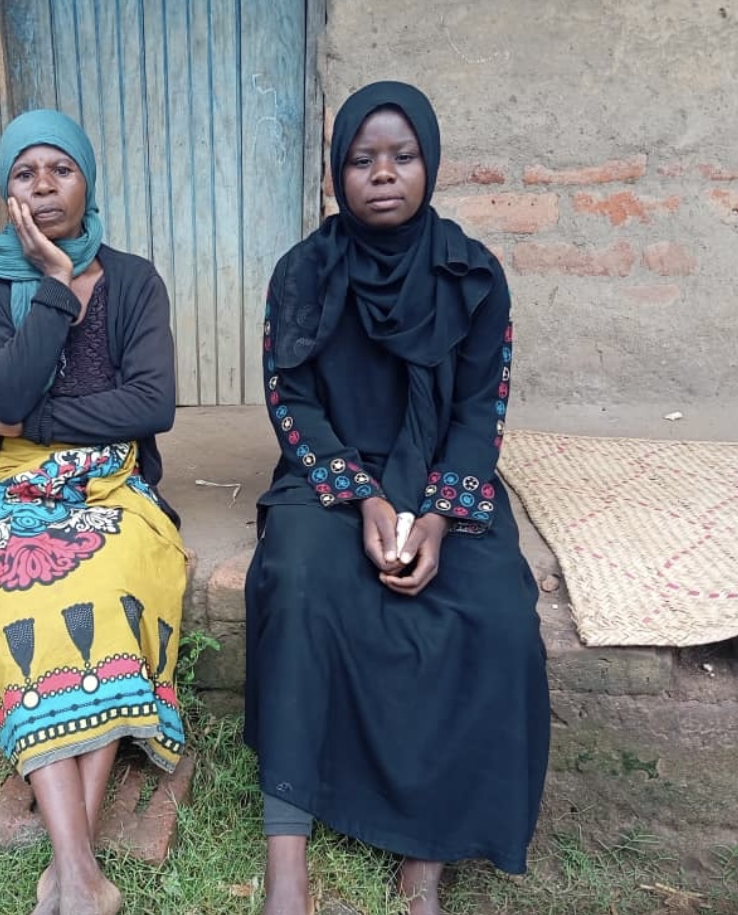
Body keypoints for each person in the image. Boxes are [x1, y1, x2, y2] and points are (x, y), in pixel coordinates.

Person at [244, 81, 551, 915]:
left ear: (430, 163)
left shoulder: (473, 275)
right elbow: (290, 398)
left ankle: (428, 856)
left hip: (445, 475)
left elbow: (480, 410)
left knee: (494, 612)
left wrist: (442, 517)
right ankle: (286, 865)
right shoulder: (302, 273)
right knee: (300, 583)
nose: (383, 174)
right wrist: (362, 499)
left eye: (402, 156)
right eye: (361, 159)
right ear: (336, 172)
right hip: (330, 472)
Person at [0, 109, 187, 915]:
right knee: (21, 594)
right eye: (25, 173)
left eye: (61, 170)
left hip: (110, 482)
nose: (43, 187)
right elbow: (3, 388)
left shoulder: (133, 280)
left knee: (107, 589)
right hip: (6, 485)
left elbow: (151, 405)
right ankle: (79, 872)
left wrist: (29, 421)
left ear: (87, 179)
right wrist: (51, 287)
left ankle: (72, 873)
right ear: (5, 189)